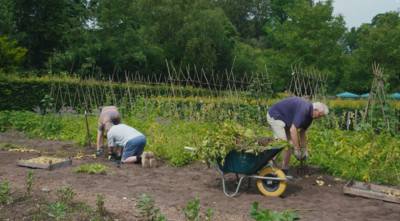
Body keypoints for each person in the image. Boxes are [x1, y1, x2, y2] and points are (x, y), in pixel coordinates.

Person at [267, 97, 329, 175]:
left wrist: (304, 149)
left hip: (286, 121)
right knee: (284, 142)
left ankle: (284, 170)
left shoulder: (310, 116)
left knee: (290, 144)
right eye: (320, 115)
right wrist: (297, 149)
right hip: (275, 115)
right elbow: (293, 129)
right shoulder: (304, 109)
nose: (319, 118)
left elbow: (302, 131)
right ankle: (270, 163)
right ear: (315, 110)